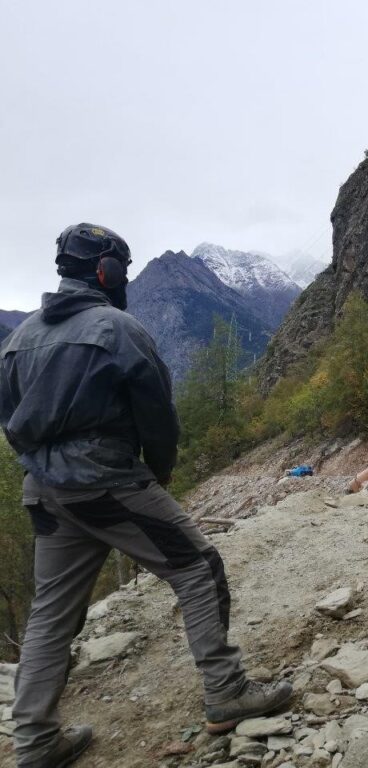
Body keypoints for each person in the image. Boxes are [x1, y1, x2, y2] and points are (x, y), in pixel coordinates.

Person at [0, 224, 291, 768]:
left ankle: (36, 744)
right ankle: (225, 692)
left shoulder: (17, 340)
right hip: (106, 480)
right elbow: (157, 413)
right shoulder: (118, 328)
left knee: (50, 615)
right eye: (122, 271)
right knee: (198, 568)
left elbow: (9, 422)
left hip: (43, 491)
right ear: (107, 271)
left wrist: (41, 466)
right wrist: (156, 475)